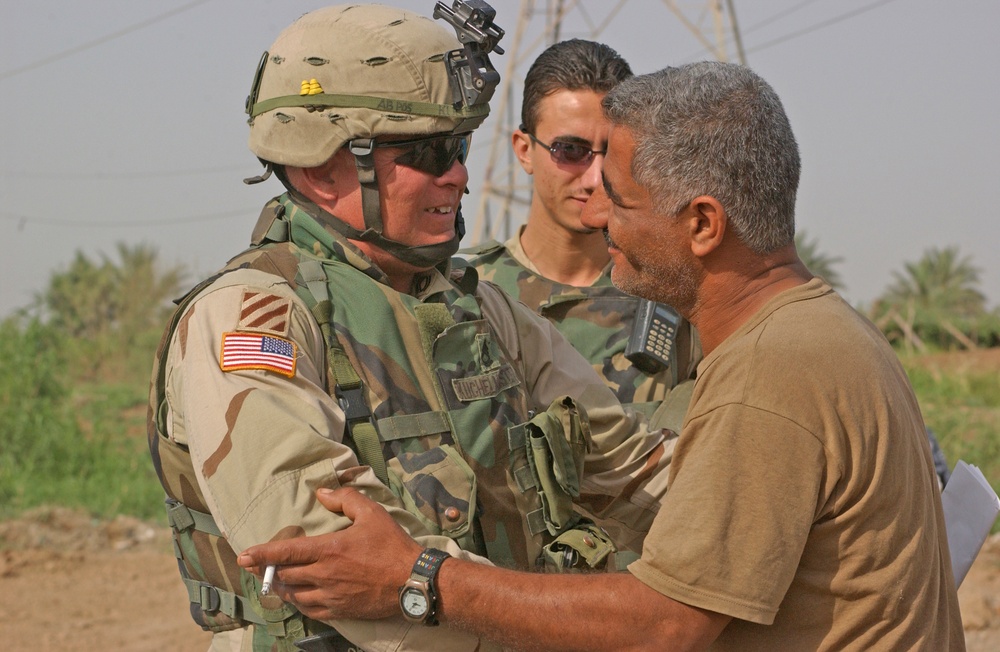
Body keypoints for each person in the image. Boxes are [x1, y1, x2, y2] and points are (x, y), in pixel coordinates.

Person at [238, 61, 966, 650]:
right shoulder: (823, 330)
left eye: (619, 197)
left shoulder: (768, 370)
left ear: (703, 224)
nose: (599, 213)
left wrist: (419, 576)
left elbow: (662, 625)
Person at [147, 4, 673, 651]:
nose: (457, 174)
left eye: (459, 146)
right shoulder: (252, 317)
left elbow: (633, 470)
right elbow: (329, 556)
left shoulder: (476, 309)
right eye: (428, 151)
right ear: (319, 165)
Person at [460, 39, 699, 424]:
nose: (594, 178)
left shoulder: (676, 295)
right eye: (570, 150)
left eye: (614, 153)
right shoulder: (462, 291)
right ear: (524, 150)